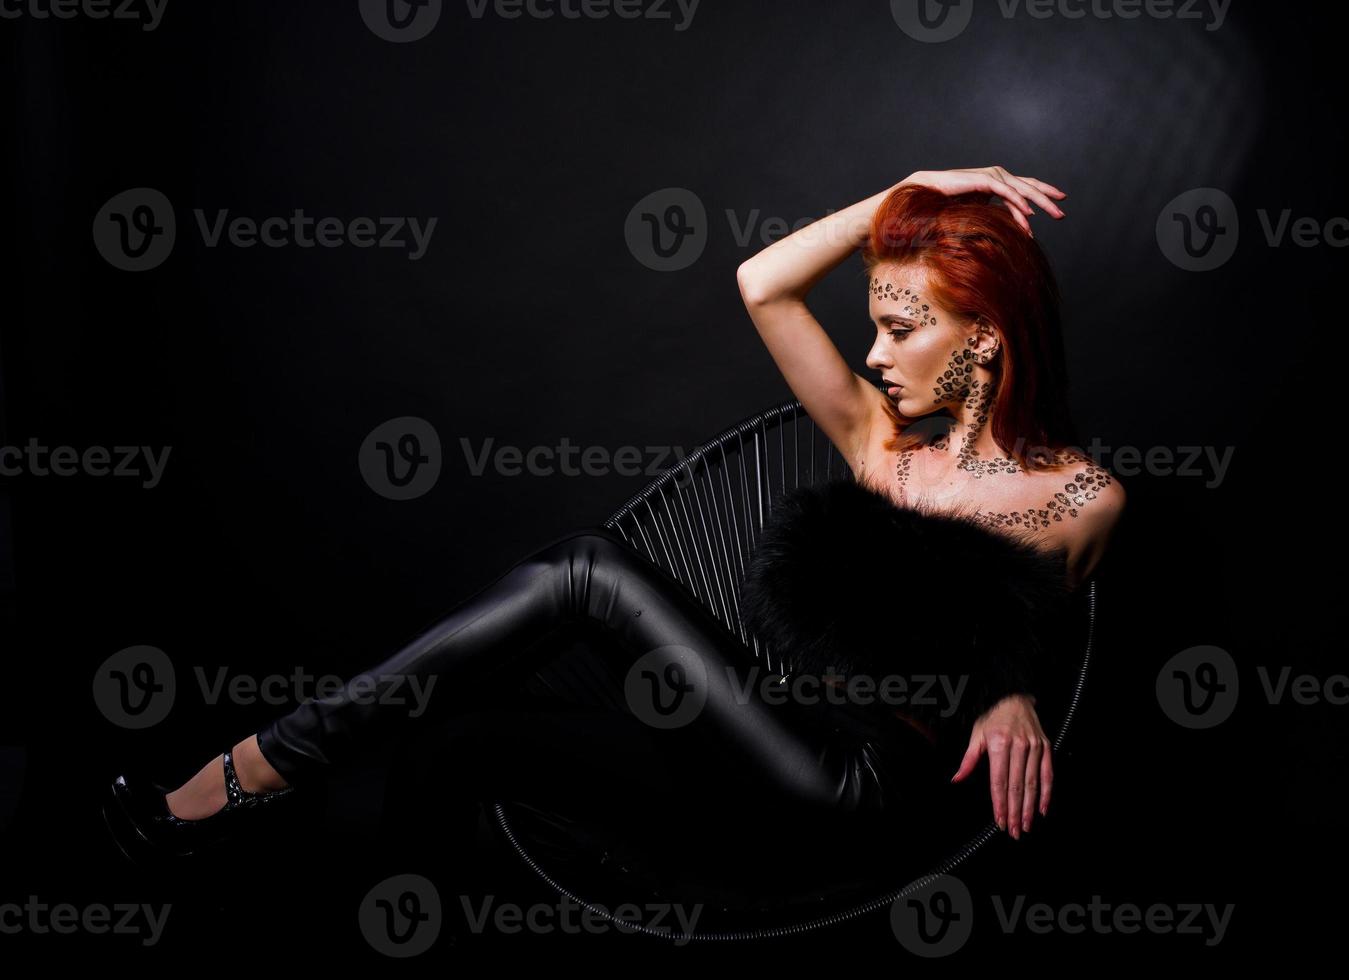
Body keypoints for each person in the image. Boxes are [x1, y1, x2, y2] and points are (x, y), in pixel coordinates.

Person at [103, 166, 1125, 886]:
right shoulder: (882, 442)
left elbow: (1012, 619)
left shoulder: (1081, 498)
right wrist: (907, 191)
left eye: (901, 329)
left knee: (585, 569)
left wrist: (1006, 693)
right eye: (874, 324)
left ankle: (232, 781)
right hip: (763, 725)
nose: (874, 354)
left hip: (854, 787)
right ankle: (269, 809)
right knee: (456, 742)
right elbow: (760, 282)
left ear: (984, 341)